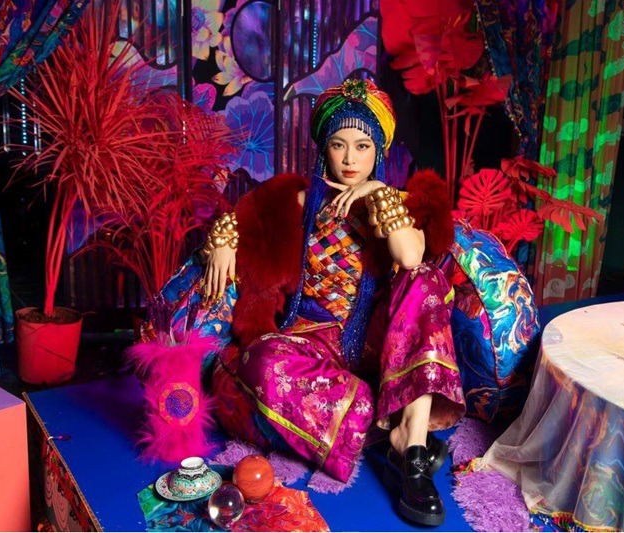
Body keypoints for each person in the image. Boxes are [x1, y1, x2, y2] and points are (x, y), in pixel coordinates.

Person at [198, 79, 464, 526]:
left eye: (362, 147)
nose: (349, 159)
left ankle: (413, 445)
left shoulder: (399, 202)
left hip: (379, 347)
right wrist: (224, 238)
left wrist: (378, 195)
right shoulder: (297, 198)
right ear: (324, 148)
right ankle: (394, 425)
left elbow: (410, 258)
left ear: (379, 150)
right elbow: (243, 217)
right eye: (339, 145)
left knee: (426, 281)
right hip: (309, 343)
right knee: (261, 363)